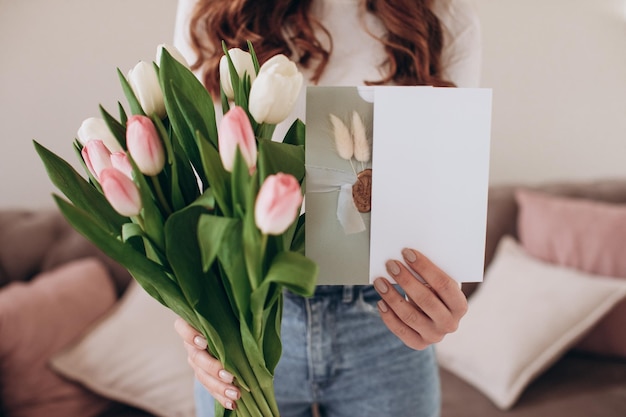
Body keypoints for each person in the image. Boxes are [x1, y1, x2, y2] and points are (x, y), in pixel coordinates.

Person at [172, 0, 481, 416]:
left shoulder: (443, 13)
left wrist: (443, 300)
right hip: (253, 314)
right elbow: (199, 188)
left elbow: (441, 185)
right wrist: (194, 315)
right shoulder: (211, 10)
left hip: (386, 314)